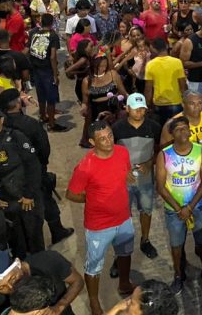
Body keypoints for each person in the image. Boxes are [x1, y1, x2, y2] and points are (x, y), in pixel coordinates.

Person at [66, 120, 136, 314]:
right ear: (92, 142)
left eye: (110, 135)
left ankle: (124, 283)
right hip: (99, 226)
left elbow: (125, 171)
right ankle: (94, 302)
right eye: (102, 139)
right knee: (94, 266)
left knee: (125, 253)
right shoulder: (85, 167)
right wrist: (91, 198)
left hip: (124, 218)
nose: (108, 141)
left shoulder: (122, 152)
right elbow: (71, 194)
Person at [0, 88, 74, 246]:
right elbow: (44, 148)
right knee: (46, 200)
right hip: (34, 170)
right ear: (18, 104)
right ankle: (56, 231)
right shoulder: (30, 124)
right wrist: (41, 165)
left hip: (10, 176)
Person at [0, 104, 45, 258]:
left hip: (27, 197)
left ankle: (40, 268)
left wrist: (29, 194)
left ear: (1, 120)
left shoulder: (16, 137)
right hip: (6, 201)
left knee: (34, 238)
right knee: (16, 242)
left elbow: (33, 166)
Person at [155, 113, 202, 296]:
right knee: (176, 245)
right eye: (178, 130)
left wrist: (190, 207)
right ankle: (179, 275)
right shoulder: (164, 155)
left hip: (197, 205)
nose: (183, 132)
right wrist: (180, 209)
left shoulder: (200, 150)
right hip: (174, 210)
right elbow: (160, 187)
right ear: (172, 134)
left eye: (185, 128)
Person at [112, 92, 161, 260]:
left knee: (146, 210)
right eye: (135, 109)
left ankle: (145, 240)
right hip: (123, 180)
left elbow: (161, 151)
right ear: (127, 109)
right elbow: (110, 154)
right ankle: (121, 250)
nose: (139, 112)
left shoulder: (154, 127)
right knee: (122, 213)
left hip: (146, 179)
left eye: (142, 109)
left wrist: (149, 163)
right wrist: (122, 171)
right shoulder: (117, 128)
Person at [0, 247, 83, 315]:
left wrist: (59, 308)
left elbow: (77, 281)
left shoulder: (48, 260)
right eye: (1, 288)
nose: (11, 288)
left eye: (13, 278)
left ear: (18, 263)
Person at [27, 12, 66, 132]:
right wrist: (55, 74)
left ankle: (43, 116)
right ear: (52, 23)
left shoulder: (33, 33)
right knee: (51, 98)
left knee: (41, 95)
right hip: (47, 70)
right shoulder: (53, 35)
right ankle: (52, 124)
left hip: (36, 69)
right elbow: (53, 57)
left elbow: (28, 50)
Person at [143, 37, 187, 124]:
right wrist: (185, 100)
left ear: (154, 49)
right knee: (177, 127)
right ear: (166, 46)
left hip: (159, 103)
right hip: (176, 102)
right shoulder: (177, 62)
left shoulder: (150, 65)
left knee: (160, 128)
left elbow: (148, 89)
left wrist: (146, 104)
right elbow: (183, 85)